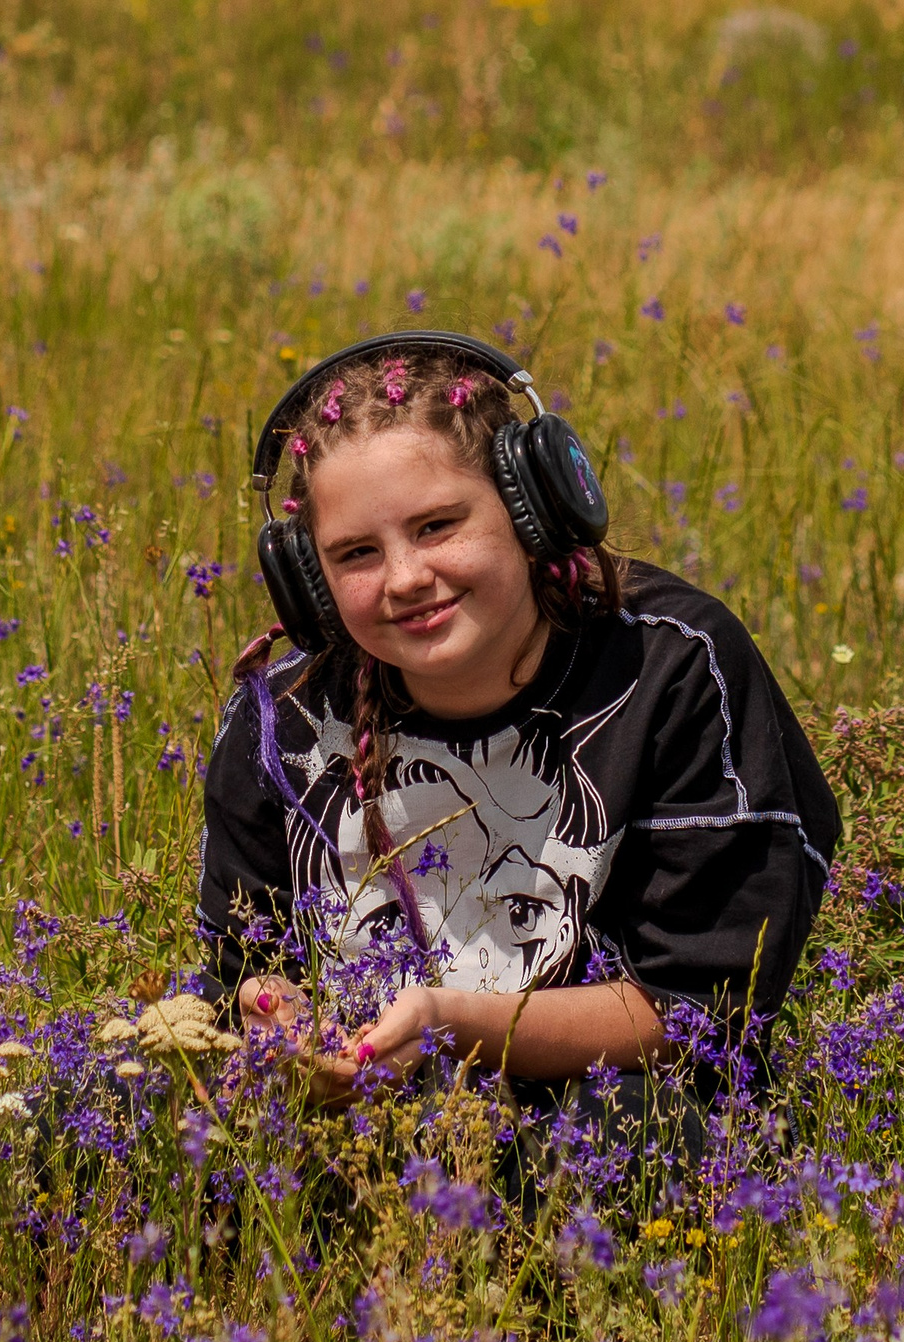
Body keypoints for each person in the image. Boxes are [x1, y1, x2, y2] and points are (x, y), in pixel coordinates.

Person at [197, 334, 839, 1114]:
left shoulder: (672, 667)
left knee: (635, 1129)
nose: (405, 578)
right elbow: (245, 962)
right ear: (309, 580)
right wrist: (279, 1016)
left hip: (599, 1108)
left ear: (532, 509)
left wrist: (453, 1025)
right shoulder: (284, 717)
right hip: (356, 1122)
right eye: (356, 552)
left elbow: (700, 1007)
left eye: (437, 525)